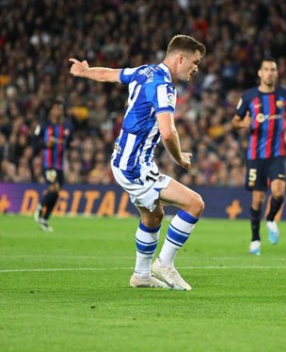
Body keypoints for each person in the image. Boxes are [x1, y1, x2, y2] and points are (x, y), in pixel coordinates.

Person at [69, 34, 206, 290]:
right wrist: (179, 159)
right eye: (195, 62)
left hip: (124, 160)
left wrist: (84, 72)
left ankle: (141, 276)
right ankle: (164, 264)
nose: (196, 68)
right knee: (194, 204)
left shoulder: (144, 71)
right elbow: (168, 132)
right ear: (180, 58)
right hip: (134, 166)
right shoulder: (164, 86)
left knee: (153, 216)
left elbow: (107, 75)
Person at [231, 57, 286, 255]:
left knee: (278, 193)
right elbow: (235, 122)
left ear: (276, 73)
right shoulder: (249, 96)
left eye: (273, 70)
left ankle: (270, 219)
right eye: (267, 69)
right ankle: (255, 239)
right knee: (257, 199)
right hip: (255, 155)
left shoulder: (284, 95)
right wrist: (244, 123)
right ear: (260, 73)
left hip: (277, 154)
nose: (270, 73)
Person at [33, 99, 72, 232]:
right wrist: (45, 145)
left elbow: (69, 143)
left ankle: (44, 219)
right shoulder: (43, 126)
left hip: (60, 165)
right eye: (56, 108)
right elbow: (33, 144)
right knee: (53, 188)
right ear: (51, 111)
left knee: (56, 193)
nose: (59, 111)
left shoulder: (66, 127)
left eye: (61, 108)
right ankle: (39, 208)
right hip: (48, 163)